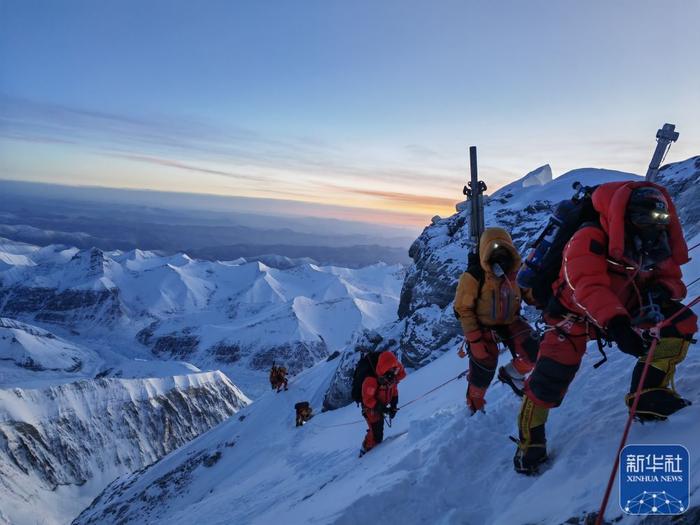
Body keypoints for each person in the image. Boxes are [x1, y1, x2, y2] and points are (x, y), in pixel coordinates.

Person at [514, 182, 697, 475]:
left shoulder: (654, 241)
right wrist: (618, 324)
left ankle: (648, 394)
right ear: (626, 216)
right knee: (549, 378)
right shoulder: (589, 236)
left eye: (659, 220)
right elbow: (585, 286)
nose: (651, 225)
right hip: (572, 317)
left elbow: (672, 278)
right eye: (643, 219)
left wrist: (663, 291)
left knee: (679, 322)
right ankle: (529, 445)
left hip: (623, 309)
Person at [453, 227, 540, 414]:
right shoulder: (474, 276)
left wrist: (545, 296)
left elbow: (531, 296)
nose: (499, 257)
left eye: (504, 251)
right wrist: (475, 339)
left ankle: (511, 374)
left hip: (511, 321)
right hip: (483, 327)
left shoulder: (517, 273)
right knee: (483, 367)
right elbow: (463, 308)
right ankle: (474, 405)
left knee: (535, 350)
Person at [360, 350, 406, 455]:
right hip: (370, 409)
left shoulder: (392, 375)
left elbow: (394, 390)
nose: (392, 379)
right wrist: (383, 408)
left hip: (380, 406)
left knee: (378, 432)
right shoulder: (370, 381)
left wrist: (394, 405)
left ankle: (372, 448)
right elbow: (368, 400)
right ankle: (366, 449)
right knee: (376, 434)